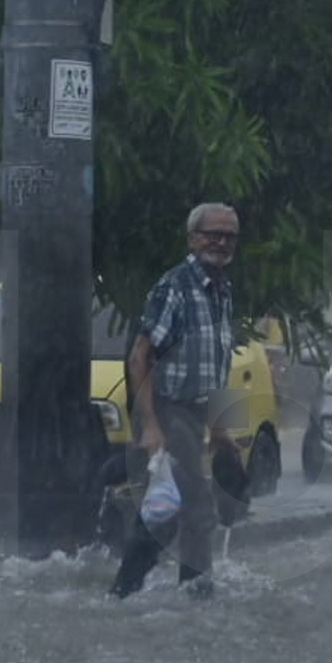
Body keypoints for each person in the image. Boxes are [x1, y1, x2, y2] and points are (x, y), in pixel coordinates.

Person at [109, 203, 243, 600]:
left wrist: (220, 428)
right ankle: (197, 596)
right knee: (197, 509)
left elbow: (218, 362)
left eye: (229, 236)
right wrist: (150, 426)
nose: (220, 242)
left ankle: (123, 592)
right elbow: (140, 356)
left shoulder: (223, 291)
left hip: (196, 412)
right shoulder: (175, 287)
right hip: (166, 409)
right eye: (211, 234)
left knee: (164, 514)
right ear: (192, 238)